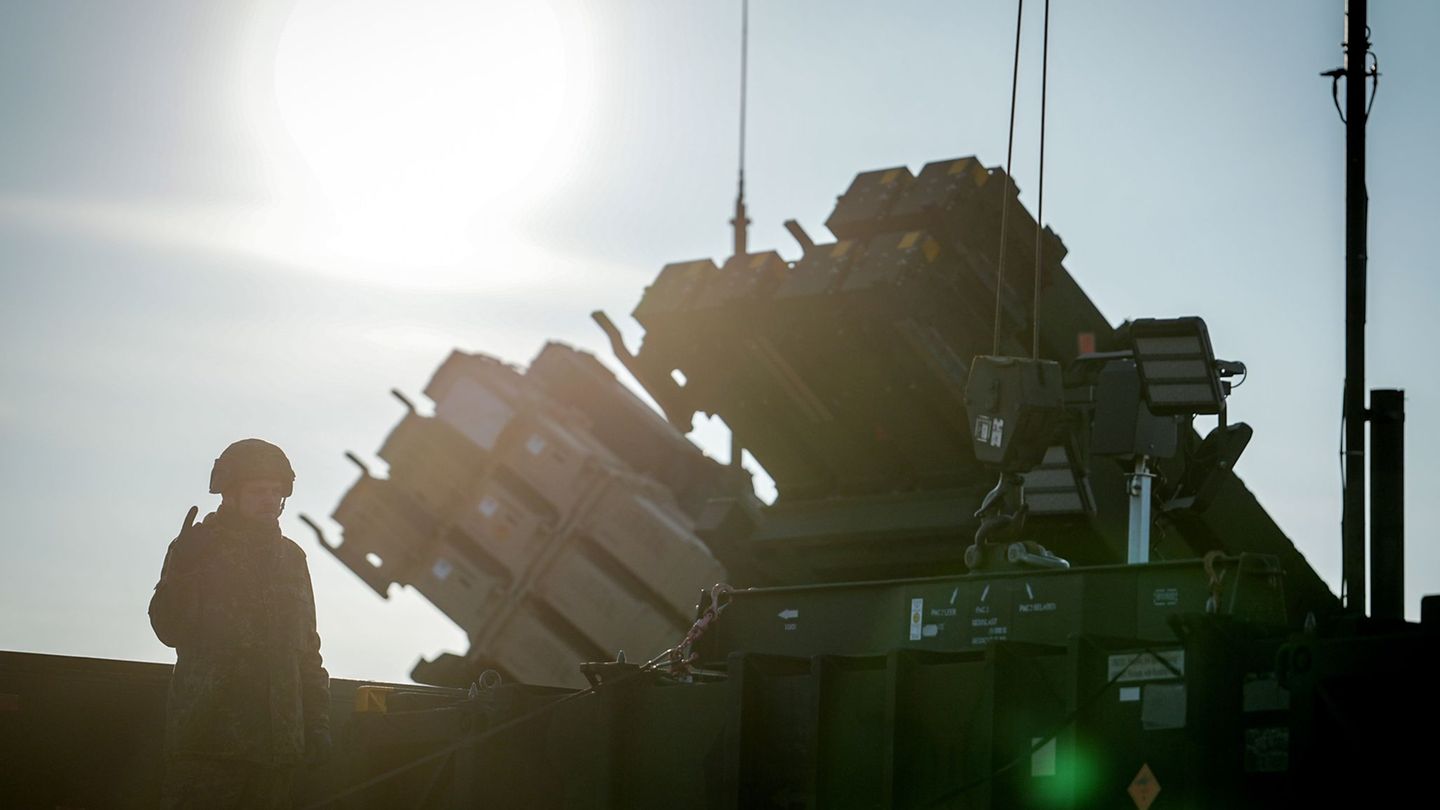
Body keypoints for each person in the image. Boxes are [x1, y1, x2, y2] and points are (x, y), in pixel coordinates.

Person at [149, 439, 331, 809]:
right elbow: (169, 630)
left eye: (277, 493)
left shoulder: (292, 559)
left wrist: (317, 724)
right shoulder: (197, 548)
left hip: (278, 754)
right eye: (259, 491)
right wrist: (182, 572)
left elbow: (308, 653)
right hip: (210, 749)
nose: (270, 501)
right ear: (229, 494)